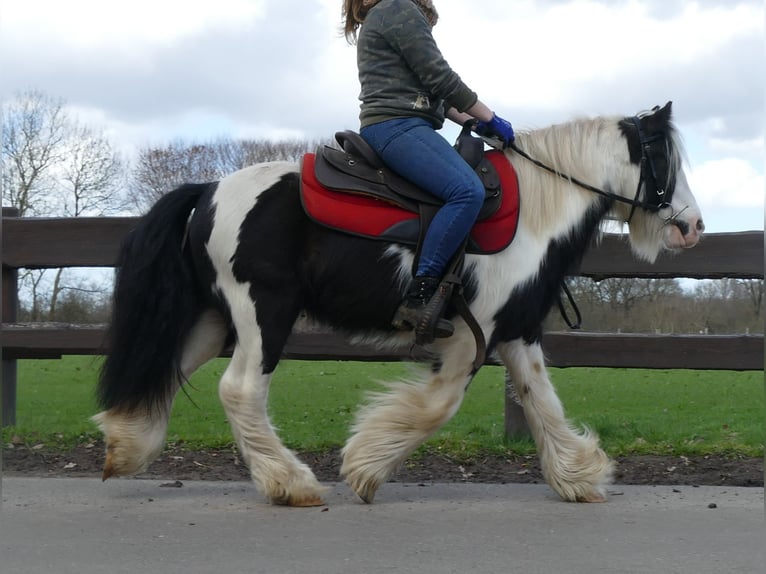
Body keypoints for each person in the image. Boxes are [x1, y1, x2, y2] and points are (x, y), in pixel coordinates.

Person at [341, 0, 515, 341]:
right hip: (398, 126)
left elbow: (432, 92)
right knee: (467, 191)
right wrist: (488, 116)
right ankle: (419, 296)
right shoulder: (397, 7)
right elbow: (440, 77)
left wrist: (475, 124)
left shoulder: (387, 11)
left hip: (404, 123)